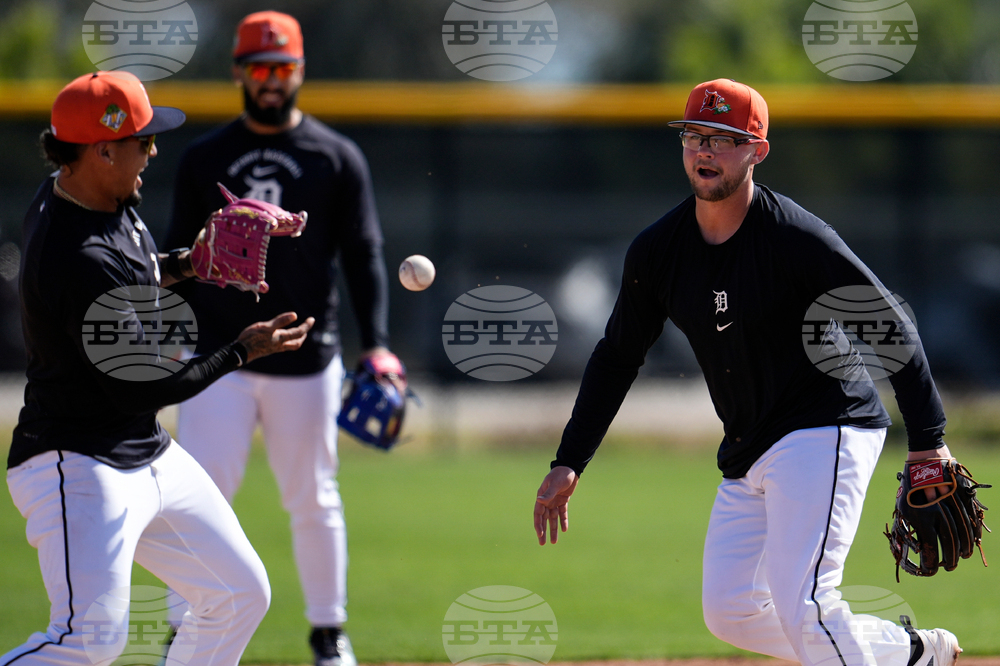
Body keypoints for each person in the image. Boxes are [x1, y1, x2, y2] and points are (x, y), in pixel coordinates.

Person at [533, 79, 962, 666]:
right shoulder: (658, 250)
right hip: (749, 443)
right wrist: (569, 459)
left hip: (826, 425)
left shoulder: (795, 237)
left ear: (757, 150)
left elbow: (887, 324)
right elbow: (617, 357)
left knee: (806, 604)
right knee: (731, 609)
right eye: (694, 136)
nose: (704, 150)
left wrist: (929, 442)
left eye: (724, 139)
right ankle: (909, 655)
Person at [2, 71, 314, 666]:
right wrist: (242, 350)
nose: (151, 152)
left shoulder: (89, 191)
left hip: (141, 450)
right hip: (75, 464)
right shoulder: (76, 256)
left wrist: (190, 263)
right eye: (142, 141)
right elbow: (146, 385)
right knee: (89, 639)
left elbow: (136, 271)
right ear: (103, 149)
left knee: (239, 594)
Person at [163, 12, 402, 666]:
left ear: (300, 72)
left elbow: (365, 252)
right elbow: (175, 257)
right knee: (197, 496)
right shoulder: (202, 159)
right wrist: (169, 334)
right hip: (219, 355)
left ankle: (329, 634)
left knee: (314, 498)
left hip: (305, 351)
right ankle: (182, 633)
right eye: (260, 68)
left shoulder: (335, 157)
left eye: (283, 68)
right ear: (239, 72)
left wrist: (375, 343)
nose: (272, 80)